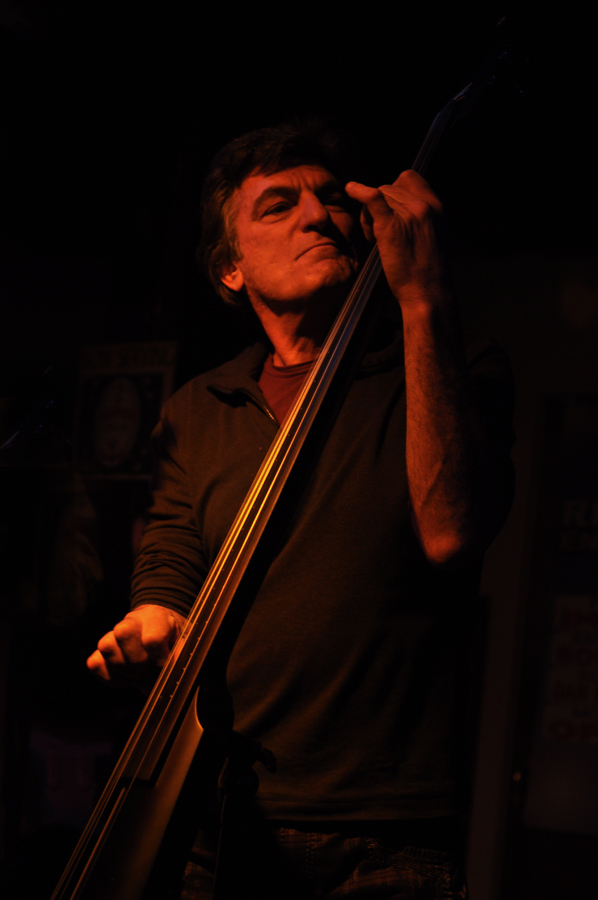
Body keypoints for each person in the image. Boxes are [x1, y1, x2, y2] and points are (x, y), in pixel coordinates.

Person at [87, 121, 515, 898]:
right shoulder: (200, 406)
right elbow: (173, 556)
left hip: (385, 829)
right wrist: (153, 617)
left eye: (330, 200)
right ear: (230, 268)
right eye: (278, 206)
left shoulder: (452, 365)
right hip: (216, 809)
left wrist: (423, 301)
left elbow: (453, 532)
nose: (319, 216)